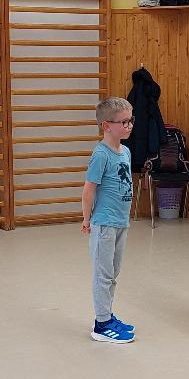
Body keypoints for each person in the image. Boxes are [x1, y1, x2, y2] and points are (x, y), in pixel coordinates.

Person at [82, 97, 136, 343]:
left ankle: (108, 315)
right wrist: (87, 219)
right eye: (124, 122)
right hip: (104, 223)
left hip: (120, 222)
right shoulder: (101, 154)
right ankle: (101, 324)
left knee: (113, 273)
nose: (129, 125)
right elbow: (89, 190)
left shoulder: (125, 151)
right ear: (106, 126)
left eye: (131, 120)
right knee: (103, 275)